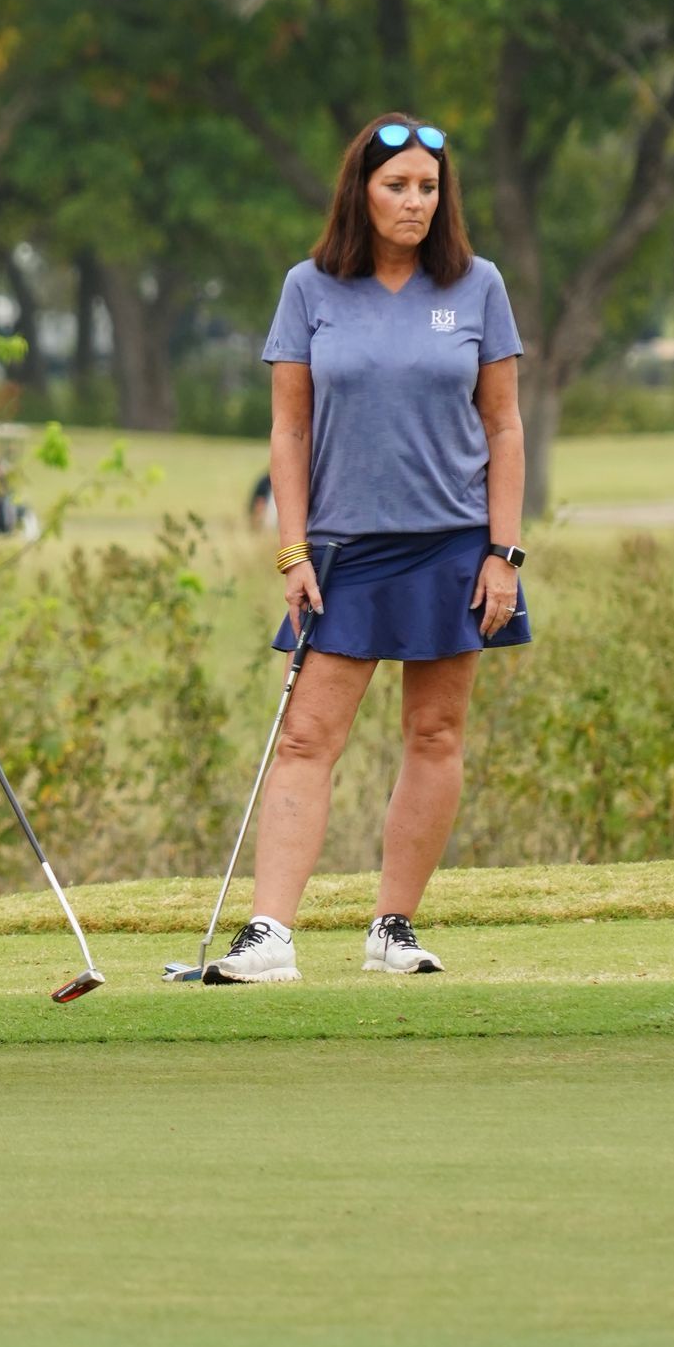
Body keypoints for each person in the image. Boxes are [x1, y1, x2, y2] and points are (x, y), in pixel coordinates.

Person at [203, 112, 529, 985]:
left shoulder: (478, 286)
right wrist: (291, 550)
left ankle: (393, 925)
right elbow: (289, 428)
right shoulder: (310, 288)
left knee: (435, 732)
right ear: (362, 191)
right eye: (397, 186)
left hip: (455, 546)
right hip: (342, 550)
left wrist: (505, 552)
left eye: (428, 188)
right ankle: (269, 934)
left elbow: (503, 424)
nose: (414, 202)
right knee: (307, 736)